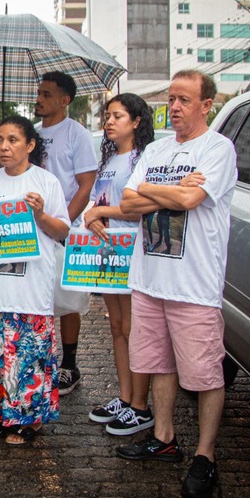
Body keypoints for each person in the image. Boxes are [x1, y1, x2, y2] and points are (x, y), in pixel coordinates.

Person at [116, 70, 237, 498]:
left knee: (204, 374)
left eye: (186, 99)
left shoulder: (218, 149)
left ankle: (206, 455)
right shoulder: (158, 149)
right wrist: (166, 188)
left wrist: (155, 191)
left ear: (207, 105)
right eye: (172, 98)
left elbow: (191, 201)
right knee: (158, 363)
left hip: (193, 286)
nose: (177, 106)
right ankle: (164, 438)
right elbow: (130, 202)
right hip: (150, 280)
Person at [0, 116, 70, 444]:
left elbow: (63, 231)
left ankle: (29, 419)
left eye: (12, 140)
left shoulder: (46, 182)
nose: (4, 147)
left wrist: (39, 215)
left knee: (28, 357)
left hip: (30, 292)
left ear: (30, 145)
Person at [82, 93, 156, 436]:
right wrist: (92, 215)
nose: (109, 122)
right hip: (106, 251)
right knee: (116, 327)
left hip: (133, 251)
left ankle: (141, 404)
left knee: (133, 329)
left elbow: (139, 206)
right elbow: (100, 201)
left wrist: (100, 213)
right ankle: (125, 398)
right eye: (107, 116)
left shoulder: (145, 158)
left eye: (118, 116)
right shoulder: (109, 158)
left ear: (137, 122)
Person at [34, 70, 98, 395]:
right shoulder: (29, 134)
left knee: (69, 297)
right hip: (33, 227)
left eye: (46, 94)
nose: (39, 99)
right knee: (39, 294)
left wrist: (64, 223)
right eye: (39, 93)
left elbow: (86, 185)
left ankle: (68, 364)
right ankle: (41, 359)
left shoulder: (77, 134)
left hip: (66, 229)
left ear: (64, 100)